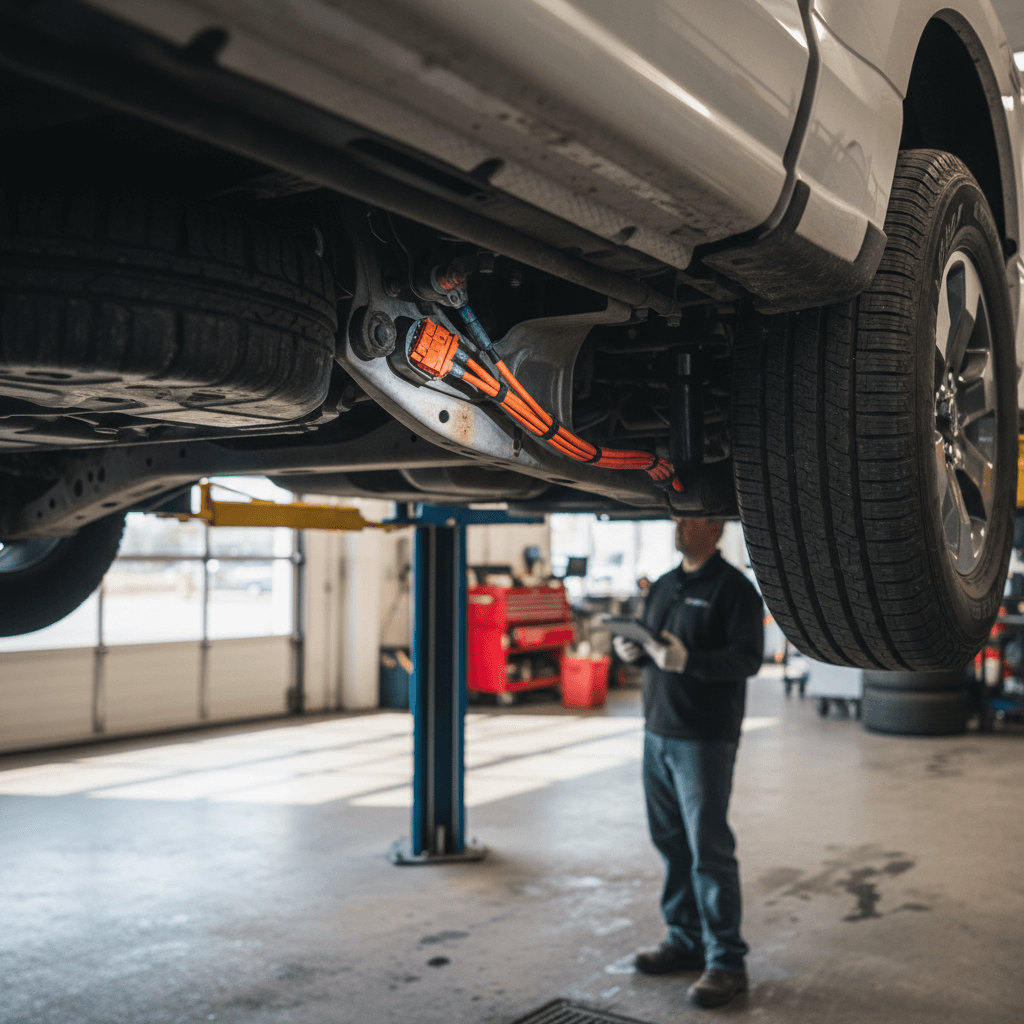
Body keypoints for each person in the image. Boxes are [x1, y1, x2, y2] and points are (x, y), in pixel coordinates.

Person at [612, 517, 763, 1008]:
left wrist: (690, 661)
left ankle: (726, 962)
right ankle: (685, 941)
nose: (683, 525)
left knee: (708, 849)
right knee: (671, 844)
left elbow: (747, 660)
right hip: (657, 732)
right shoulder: (664, 584)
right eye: (679, 516)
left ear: (716, 528)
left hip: (703, 738)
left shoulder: (735, 590)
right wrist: (631, 651)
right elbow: (652, 645)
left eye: (694, 517)